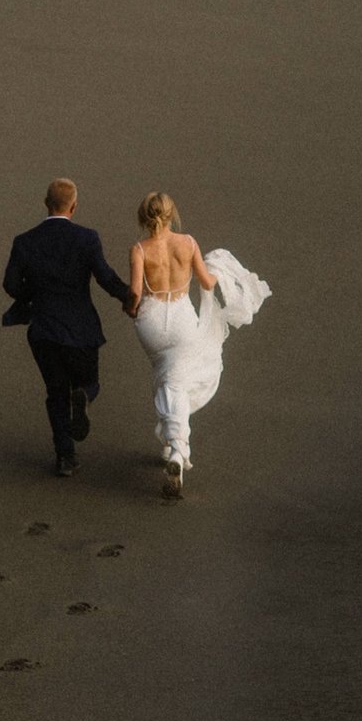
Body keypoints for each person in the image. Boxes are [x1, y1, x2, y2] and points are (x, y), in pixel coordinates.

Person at [126, 190, 271, 500]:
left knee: (167, 377)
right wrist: (221, 273)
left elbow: (136, 294)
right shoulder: (188, 243)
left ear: (144, 216)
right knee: (174, 379)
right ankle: (178, 450)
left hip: (151, 325)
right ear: (171, 214)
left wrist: (131, 310)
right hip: (181, 321)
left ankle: (171, 445)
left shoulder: (139, 249)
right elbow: (206, 282)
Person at [2, 177, 133, 477]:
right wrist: (130, 298)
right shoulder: (87, 238)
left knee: (55, 392)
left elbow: (10, 284)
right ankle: (84, 396)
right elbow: (105, 277)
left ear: (45, 204)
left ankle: (65, 457)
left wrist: (33, 297)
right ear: (74, 206)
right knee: (90, 383)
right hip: (81, 329)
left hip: (44, 329)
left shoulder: (24, 241)